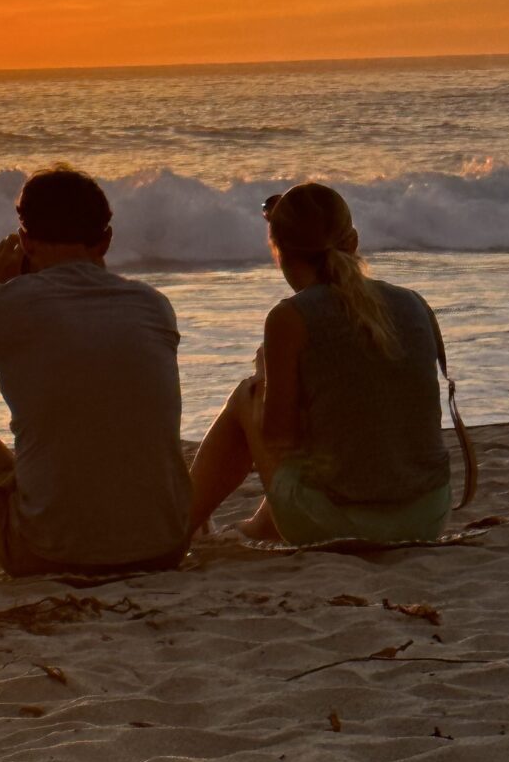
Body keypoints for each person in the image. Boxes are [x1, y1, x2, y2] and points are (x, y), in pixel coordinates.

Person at [0, 165, 191, 575]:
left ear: (24, 241)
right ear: (105, 240)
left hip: (50, 553)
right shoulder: (153, 305)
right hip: (165, 547)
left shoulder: (2, 305)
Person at [188, 182, 452, 545]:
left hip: (342, 526)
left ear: (277, 251)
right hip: (426, 515)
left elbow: (279, 438)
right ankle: (259, 527)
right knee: (334, 428)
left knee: (246, 397)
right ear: (353, 241)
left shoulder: (289, 318)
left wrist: (266, 380)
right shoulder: (413, 303)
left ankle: (179, 524)